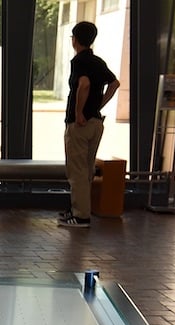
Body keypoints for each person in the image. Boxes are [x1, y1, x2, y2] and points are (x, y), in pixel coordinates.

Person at [59, 21, 120, 228]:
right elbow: (114, 84)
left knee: (76, 170)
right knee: (86, 170)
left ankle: (81, 216)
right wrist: (98, 105)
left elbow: (83, 85)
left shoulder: (79, 61)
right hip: (96, 122)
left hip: (81, 124)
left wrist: (79, 113)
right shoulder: (98, 62)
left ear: (75, 40)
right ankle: (78, 209)